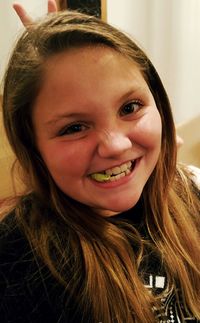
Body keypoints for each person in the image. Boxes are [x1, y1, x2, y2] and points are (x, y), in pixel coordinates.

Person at [0, 4, 200, 323]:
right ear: (32, 147)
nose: (116, 145)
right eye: (74, 128)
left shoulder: (192, 195)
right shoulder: (17, 267)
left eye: (130, 107)